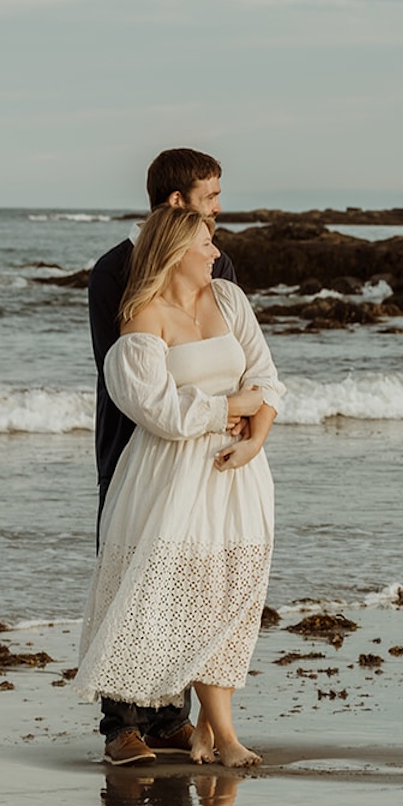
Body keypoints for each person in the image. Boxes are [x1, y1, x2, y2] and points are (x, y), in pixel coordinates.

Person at [77, 205, 285, 767]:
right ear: (173, 250)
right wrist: (229, 407)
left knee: (230, 598)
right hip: (170, 478)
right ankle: (165, 730)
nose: (216, 252)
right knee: (164, 598)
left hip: (238, 472)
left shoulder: (231, 300)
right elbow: (156, 409)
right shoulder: (142, 315)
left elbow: (266, 377)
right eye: (206, 242)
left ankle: (207, 730)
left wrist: (254, 435)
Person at [89, 148, 238, 764]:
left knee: (184, 576)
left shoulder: (219, 262)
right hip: (133, 442)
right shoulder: (114, 270)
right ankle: (121, 725)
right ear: (176, 200)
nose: (219, 209)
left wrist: (242, 419)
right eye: (210, 197)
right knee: (133, 571)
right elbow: (127, 377)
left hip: (203, 447)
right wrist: (194, 414)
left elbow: (224, 346)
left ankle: (169, 716)